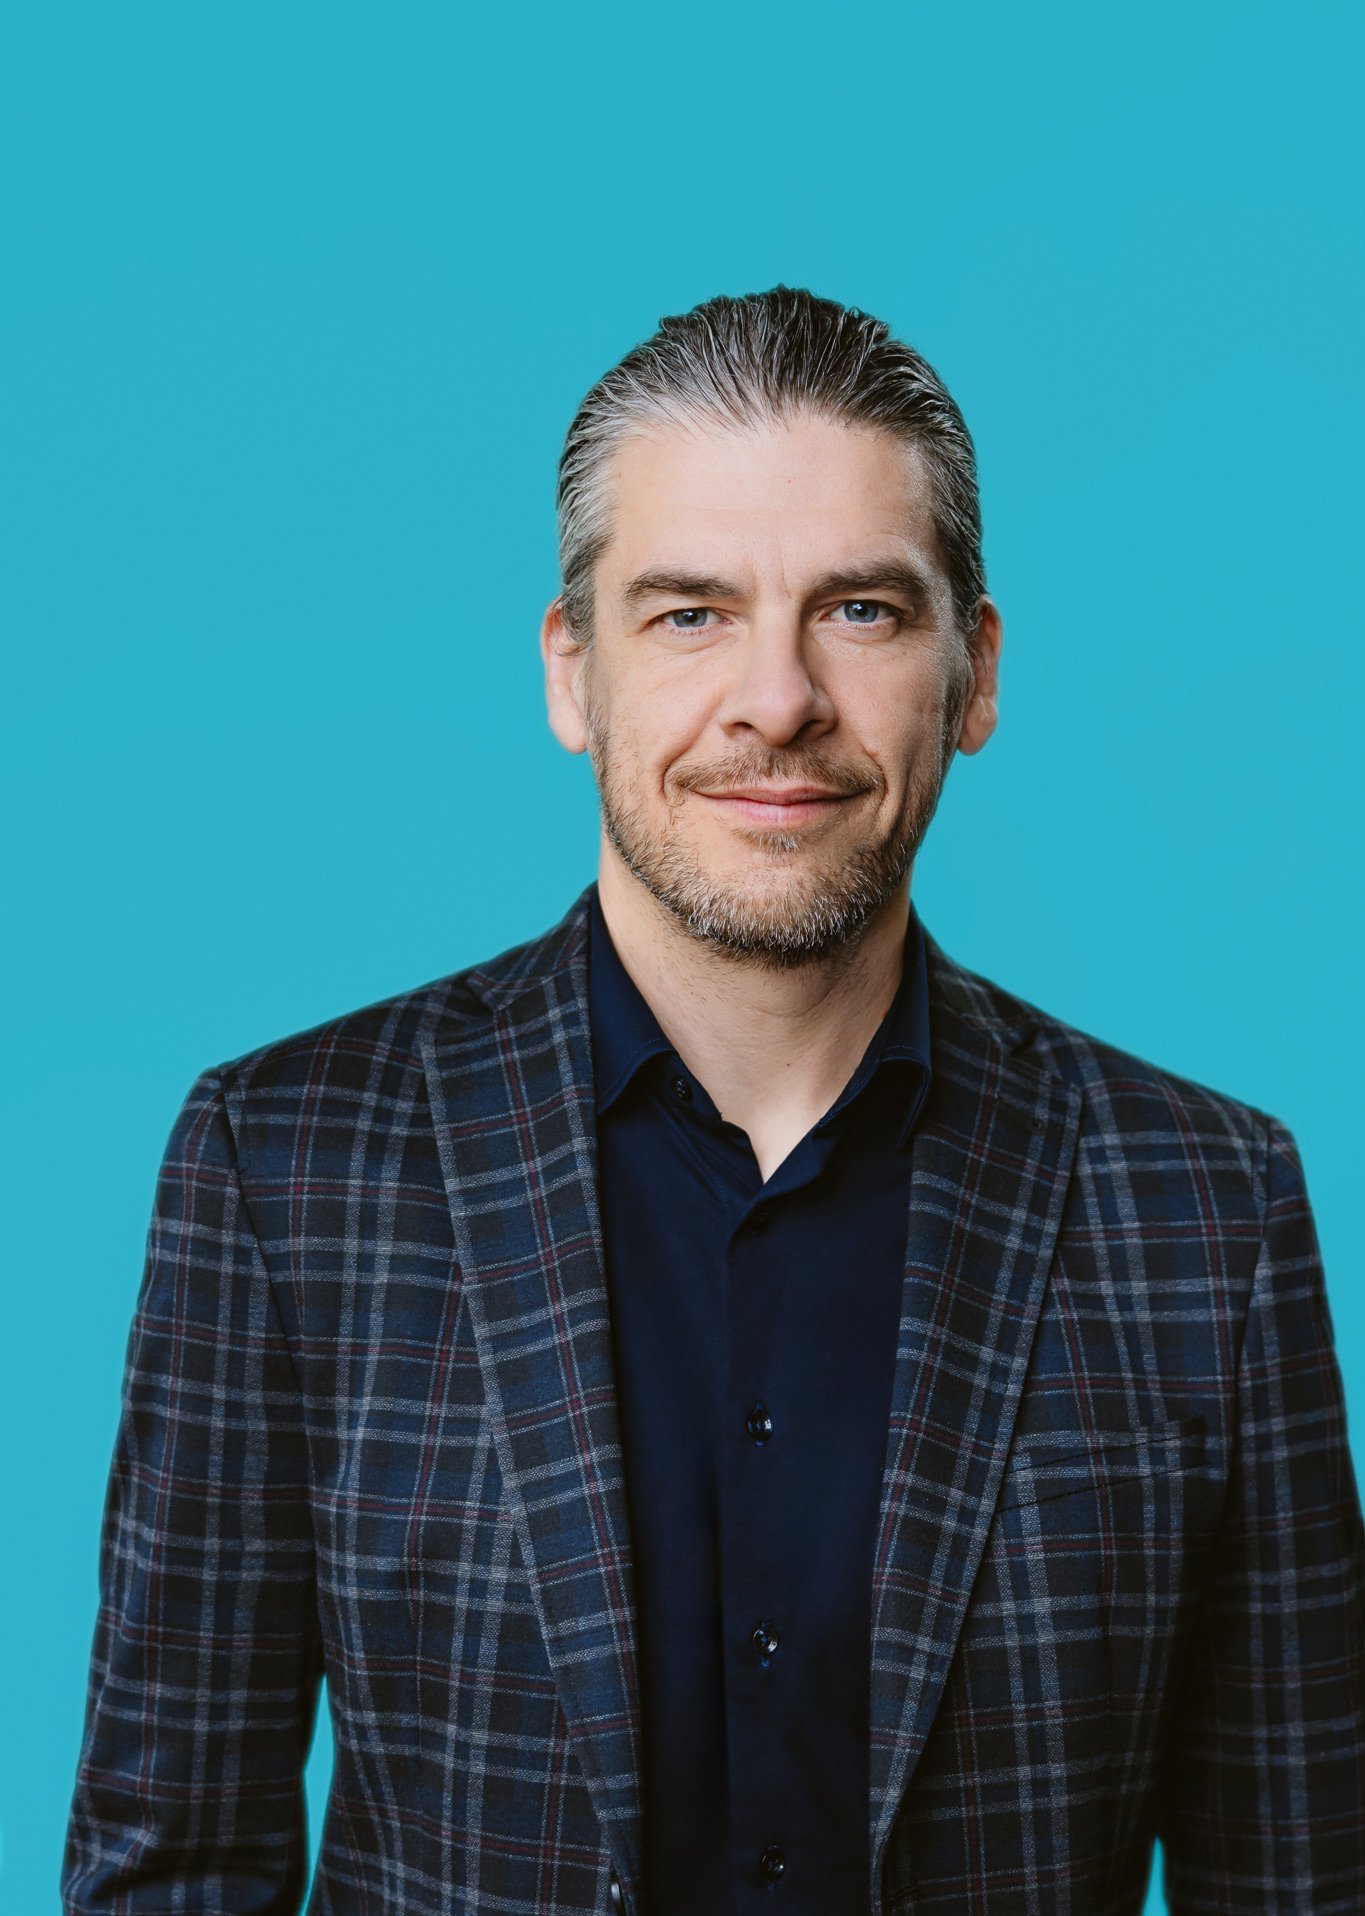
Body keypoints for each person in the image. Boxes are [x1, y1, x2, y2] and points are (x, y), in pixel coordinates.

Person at [62, 286, 1365, 1915]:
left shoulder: (1206, 1205)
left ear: (975, 674)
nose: (776, 700)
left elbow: (1305, 1878)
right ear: (571, 671)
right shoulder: (285, 1165)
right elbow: (172, 1866)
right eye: (687, 614)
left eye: (862, 613)